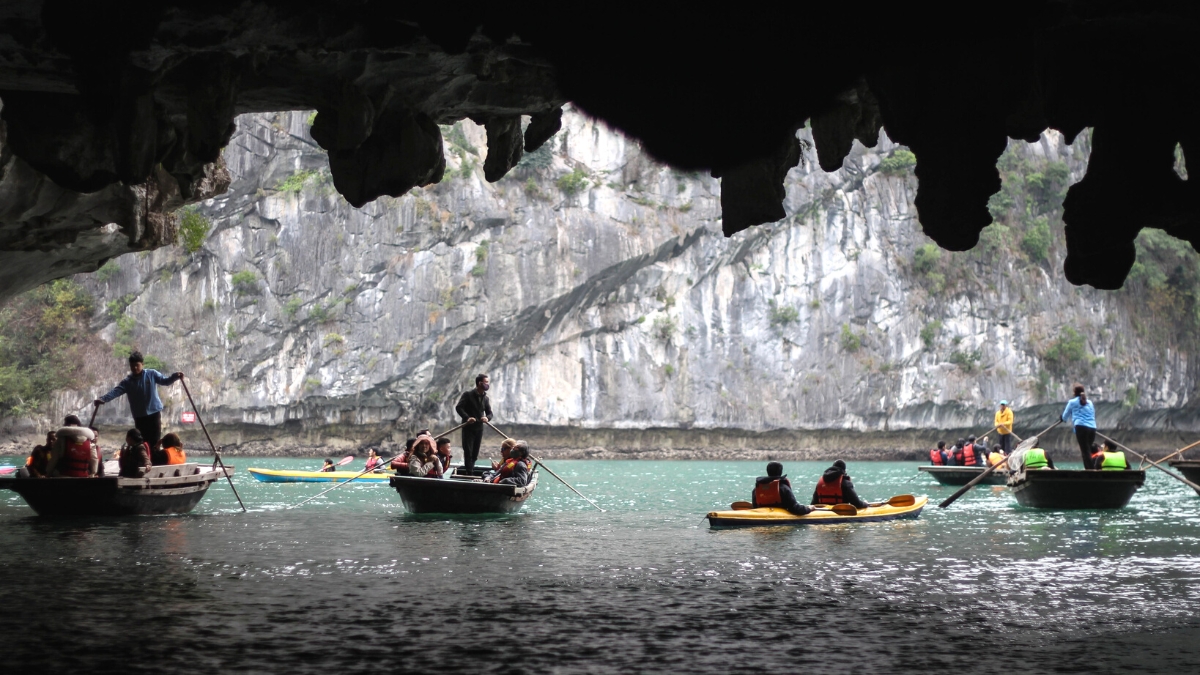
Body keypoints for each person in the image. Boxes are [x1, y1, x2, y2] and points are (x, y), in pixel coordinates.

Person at [94, 351, 184, 458]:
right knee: (142, 442)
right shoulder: (127, 382)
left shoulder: (151, 374)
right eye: (132, 366)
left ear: (142, 364)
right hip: (139, 416)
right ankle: (144, 462)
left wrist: (175, 376)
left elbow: (166, 381)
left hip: (154, 413)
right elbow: (115, 392)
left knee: (154, 440)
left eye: (137, 365)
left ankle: (154, 463)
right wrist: (103, 399)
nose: (135, 368)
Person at [455, 373, 493, 473]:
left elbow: (490, 413)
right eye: (486, 382)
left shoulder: (485, 398)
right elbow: (459, 407)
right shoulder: (468, 395)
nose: (487, 384)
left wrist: (487, 418)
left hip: (479, 429)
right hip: (468, 427)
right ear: (479, 383)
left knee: (475, 453)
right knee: (468, 451)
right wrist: (467, 417)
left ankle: (470, 470)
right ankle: (469, 472)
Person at [1062, 383, 1097, 465]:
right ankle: (1093, 469)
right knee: (1088, 449)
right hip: (1092, 428)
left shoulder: (1072, 402)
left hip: (1081, 428)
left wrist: (1061, 417)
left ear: (1074, 393)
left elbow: (1064, 417)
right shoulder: (1090, 403)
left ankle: (1090, 472)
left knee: (1085, 451)